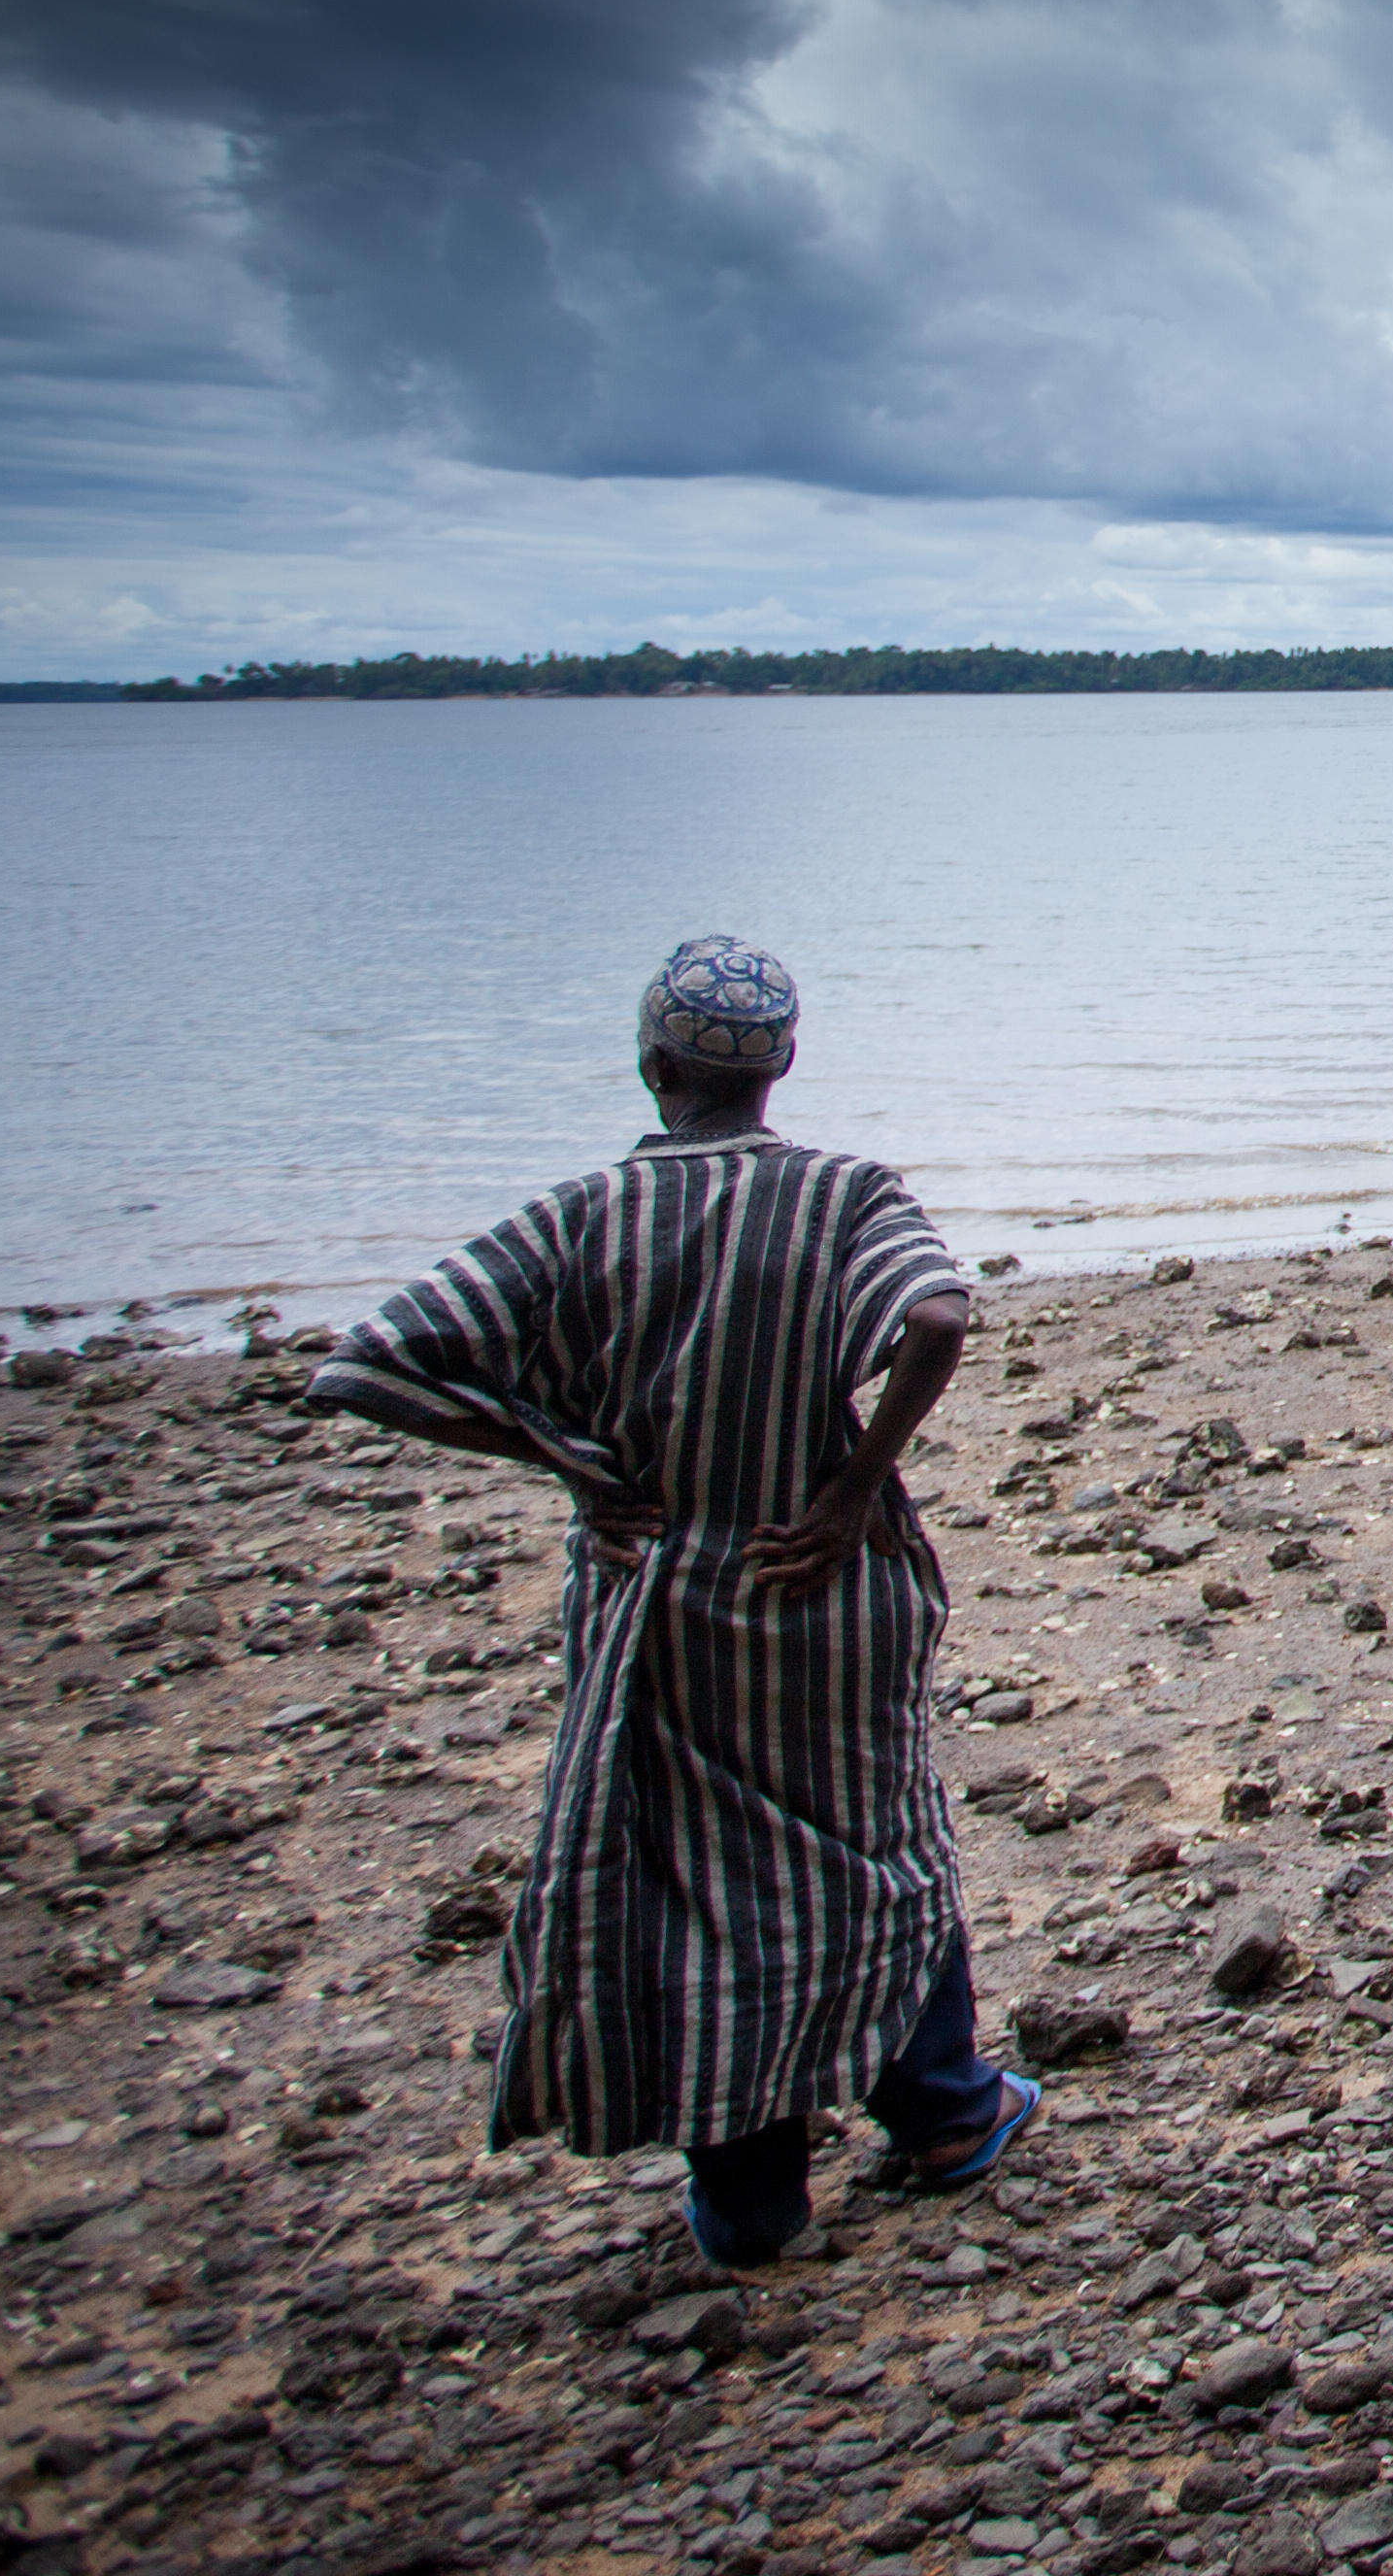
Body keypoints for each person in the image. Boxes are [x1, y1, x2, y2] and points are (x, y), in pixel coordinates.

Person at [314, 932, 1036, 2265]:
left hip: (658, 1596)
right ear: (784, 1070)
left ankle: (750, 2198)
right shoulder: (841, 1197)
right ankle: (941, 2111)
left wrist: (570, 1460)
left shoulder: (587, 1216)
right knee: (877, 1843)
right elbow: (933, 1321)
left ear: (655, 1070)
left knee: (698, 1877)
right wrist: (850, 1490)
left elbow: (376, 1362)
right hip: (819, 1590)